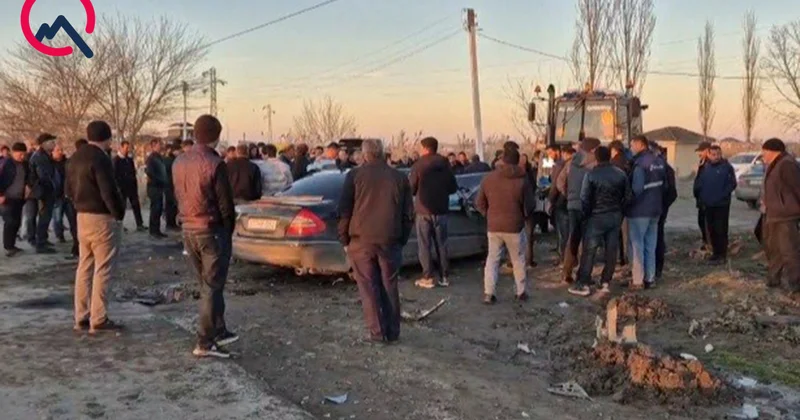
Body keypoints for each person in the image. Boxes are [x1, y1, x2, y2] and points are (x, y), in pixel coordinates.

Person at [173, 115, 238, 358]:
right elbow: (225, 205)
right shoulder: (215, 163)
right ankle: (204, 341)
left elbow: (178, 194)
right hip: (211, 230)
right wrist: (227, 231)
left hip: (188, 228)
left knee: (208, 284)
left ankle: (218, 329)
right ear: (217, 136)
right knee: (211, 287)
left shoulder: (179, 162)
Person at [337, 139, 413, 344]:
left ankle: (377, 332)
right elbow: (408, 214)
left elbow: (345, 210)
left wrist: (344, 238)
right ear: (382, 153)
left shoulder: (354, 176)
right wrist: (402, 238)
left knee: (368, 288)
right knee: (389, 285)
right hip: (390, 239)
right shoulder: (399, 177)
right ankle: (393, 330)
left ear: (364, 155)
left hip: (361, 241)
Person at [67, 121, 126, 334]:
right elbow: (108, 190)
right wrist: (118, 214)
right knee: (103, 268)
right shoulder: (101, 159)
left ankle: (81, 316)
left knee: (84, 266)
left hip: (82, 216)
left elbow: (68, 189)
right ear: (107, 138)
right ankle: (99, 318)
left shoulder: (76, 156)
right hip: (102, 218)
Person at [476, 148, 535, 304]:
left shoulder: (488, 178)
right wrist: (523, 216)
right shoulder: (523, 179)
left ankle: (489, 293)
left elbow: (479, 203)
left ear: (502, 160)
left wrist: (488, 215)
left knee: (492, 260)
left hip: (494, 226)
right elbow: (530, 205)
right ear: (517, 161)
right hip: (515, 226)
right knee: (518, 259)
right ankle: (521, 292)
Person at [571, 146, 631, 296]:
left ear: (596, 158)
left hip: (596, 217)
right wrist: (620, 211)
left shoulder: (591, 175)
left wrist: (587, 215)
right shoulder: (621, 174)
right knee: (611, 250)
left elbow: (584, 198)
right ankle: (605, 282)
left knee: (589, 251)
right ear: (609, 156)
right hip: (615, 216)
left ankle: (584, 283)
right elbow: (628, 196)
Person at [409, 137, 458, 289]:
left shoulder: (418, 165)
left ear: (425, 148)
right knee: (442, 244)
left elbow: (411, 188)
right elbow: (453, 187)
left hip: (423, 211)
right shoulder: (445, 164)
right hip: (442, 210)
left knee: (424, 245)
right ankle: (444, 277)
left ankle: (428, 277)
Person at [760, 138, 800, 297]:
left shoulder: (787, 164)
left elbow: (797, 188)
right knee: (774, 249)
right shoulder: (776, 164)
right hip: (774, 214)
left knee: (789, 250)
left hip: (786, 216)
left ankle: (795, 284)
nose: (762, 155)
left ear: (772, 150)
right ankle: (773, 280)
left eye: (764, 151)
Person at [558, 138, 600, 283]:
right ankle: (583, 275)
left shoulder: (570, 163)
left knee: (572, 239)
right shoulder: (595, 164)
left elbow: (559, 182)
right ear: (593, 149)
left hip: (572, 206)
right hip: (587, 206)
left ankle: (566, 272)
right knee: (587, 241)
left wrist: (569, 195)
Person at [627, 135, 666, 289]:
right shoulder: (659, 162)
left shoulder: (640, 165)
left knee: (637, 245)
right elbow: (665, 186)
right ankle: (650, 278)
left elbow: (637, 189)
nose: (631, 148)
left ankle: (637, 280)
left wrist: (627, 204)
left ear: (640, 144)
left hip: (639, 210)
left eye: (632, 145)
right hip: (655, 209)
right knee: (651, 244)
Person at [693, 145, 736, 263]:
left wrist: (722, 196)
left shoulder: (726, 167)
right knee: (711, 230)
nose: (716, 157)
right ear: (709, 155)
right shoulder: (705, 167)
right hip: (708, 204)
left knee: (720, 230)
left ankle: (722, 255)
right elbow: (699, 184)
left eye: (718, 154)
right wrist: (701, 198)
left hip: (721, 205)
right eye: (713, 154)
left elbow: (732, 184)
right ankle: (715, 253)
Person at [28, 133, 59, 254]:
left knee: (45, 216)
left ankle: (43, 239)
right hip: (44, 191)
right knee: (44, 217)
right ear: (44, 144)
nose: (54, 144)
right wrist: (52, 186)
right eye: (51, 142)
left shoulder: (45, 155)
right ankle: (40, 243)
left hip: (47, 190)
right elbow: (44, 176)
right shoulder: (40, 157)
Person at [0, 143, 30, 257]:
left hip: (19, 198)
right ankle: (8, 246)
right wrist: (1, 194)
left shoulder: (25, 165)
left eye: (24, 154)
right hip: (7, 198)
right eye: (20, 154)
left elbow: (28, 178)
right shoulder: (6, 163)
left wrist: (28, 187)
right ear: (13, 152)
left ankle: (12, 245)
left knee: (16, 222)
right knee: (10, 221)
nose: (22, 157)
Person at [655, 145, 678, 280]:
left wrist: (663, 206)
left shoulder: (665, 169)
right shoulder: (663, 168)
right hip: (657, 207)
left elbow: (672, 193)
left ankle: (657, 268)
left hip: (659, 208)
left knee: (657, 237)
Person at [112, 141, 145, 232]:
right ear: (121, 148)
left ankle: (139, 224)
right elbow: (114, 175)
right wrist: (118, 187)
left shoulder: (129, 160)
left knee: (136, 205)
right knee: (121, 207)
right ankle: (119, 225)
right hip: (122, 188)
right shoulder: (116, 160)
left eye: (129, 148)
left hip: (131, 187)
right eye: (126, 148)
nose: (128, 150)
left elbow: (133, 173)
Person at [609, 140, 631, 266]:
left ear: (614, 150)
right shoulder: (629, 162)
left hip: (615, 203)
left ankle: (618, 257)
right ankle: (626, 257)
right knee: (626, 233)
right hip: (626, 202)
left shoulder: (613, 164)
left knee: (615, 232)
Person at [547, 145, 569, 261]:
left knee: (562, 232)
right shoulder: (573, 164)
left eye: (550, 153)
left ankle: (564, 257)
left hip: (560, 201)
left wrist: (550, 200)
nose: (549, 156)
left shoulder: (559, 165)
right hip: (571, 201)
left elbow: (555, 184)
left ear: (557, 152)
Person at [145, 139, 168, 239]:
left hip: (159, 186)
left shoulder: (159, 157)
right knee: (155, 209)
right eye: (159, 144)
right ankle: (153, 231)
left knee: (158, 209)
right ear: (154, 146)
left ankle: (157, 230)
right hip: (154, 187)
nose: (161, 146)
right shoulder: (151, 158)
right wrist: (159, 180)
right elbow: (150, 173)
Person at [520, 153, 538, 268]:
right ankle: (528, 260)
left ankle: (519, 261)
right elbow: (533, 187)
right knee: (528, 236)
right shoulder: (528, 174)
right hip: (528, 209)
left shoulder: (516, 176)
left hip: (518, 210)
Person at [694, 141, 712, 250]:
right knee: (701, 221)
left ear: (707, 150)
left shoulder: (710, 164)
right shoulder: (703, 162)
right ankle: (705, 241)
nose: (699, 153)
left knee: (707, 223)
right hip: (701, 199)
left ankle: (709, 244)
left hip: (707, 199)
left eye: (701, 151)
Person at [51, 143, 69, 243]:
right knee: (57, 217)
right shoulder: (50, 164)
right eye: (58, 150)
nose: (60, 152)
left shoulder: (67, 162)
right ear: (52, 152)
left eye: (61, 150)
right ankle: (59, 235)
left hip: (67, 193)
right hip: (56, 194)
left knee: (72, 216)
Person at [163, 142, 180, 231]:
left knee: (171, 205)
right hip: (170, 185)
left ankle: (171, 223)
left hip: (170, 185)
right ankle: (170, 223)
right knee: (171, 205)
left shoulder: (170, 159)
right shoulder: (170, 160)